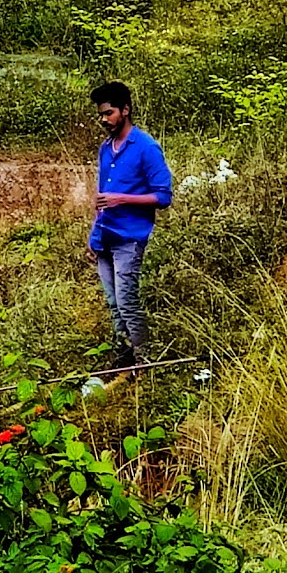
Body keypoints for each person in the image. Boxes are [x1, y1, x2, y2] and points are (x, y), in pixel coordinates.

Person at [87, 81, 172, 374]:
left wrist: (121, 199)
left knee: (127, 302)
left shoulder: (146, 147)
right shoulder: (105, 149)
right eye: (101, 114)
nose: (104, 120)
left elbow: (163, 196)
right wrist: (93, 235)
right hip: (104, 237)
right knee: (113, 304)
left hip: (129, 238)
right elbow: (101, 199)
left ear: (125, 110)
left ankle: (143, 362)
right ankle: (123, 360)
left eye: (109, 113)